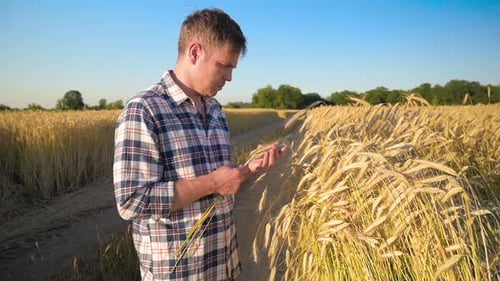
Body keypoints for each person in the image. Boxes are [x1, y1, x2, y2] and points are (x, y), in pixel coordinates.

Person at [113, 8, 286, 281]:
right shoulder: (144, 110)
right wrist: (215, 183)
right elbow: (131, 201)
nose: (229, 77)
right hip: (179, 273)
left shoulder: (216, 110)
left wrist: (249, 169)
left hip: (222, 265)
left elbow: (220, 182)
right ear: (195, 53)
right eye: (224, 65)